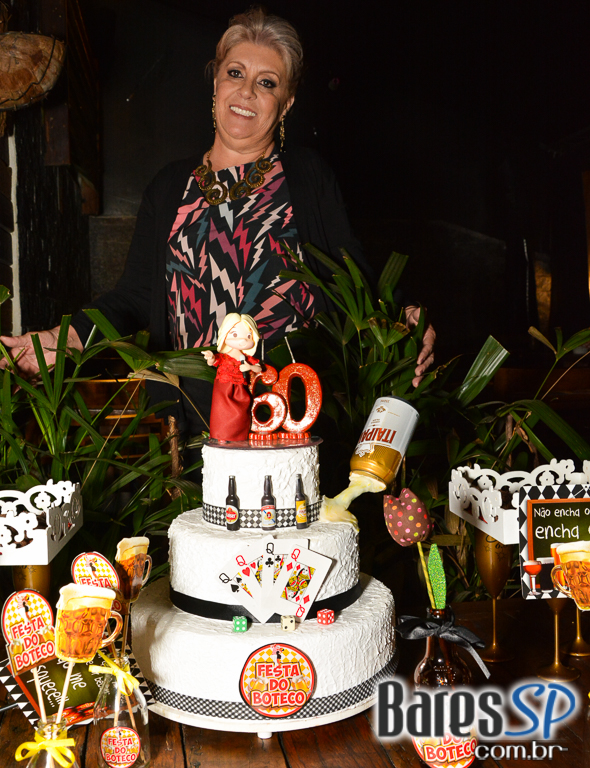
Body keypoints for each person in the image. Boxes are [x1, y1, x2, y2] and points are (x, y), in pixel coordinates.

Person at [0, 8, 435, 434]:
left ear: (286, 104)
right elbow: (135, 296)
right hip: (194, 419)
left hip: (289, 415)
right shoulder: (169, 187)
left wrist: (406, 318)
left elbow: (353, 278)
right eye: (235, 73)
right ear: (215, 83)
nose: (246, 91)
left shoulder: (306, 176)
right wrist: (68, 337)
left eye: (267, 82)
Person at [202, 313, 262, 441]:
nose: (242, 340)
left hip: (240, 390)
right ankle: (220, 436)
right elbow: (213, 362)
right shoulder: (224, 357)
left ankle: (239, 436)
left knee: (240, 413)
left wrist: (250, 367)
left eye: (248, 336)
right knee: (221, 414)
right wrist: (210, 357)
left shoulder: (247, 358)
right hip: (223, 389)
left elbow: (259, 368)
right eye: (235, 335)